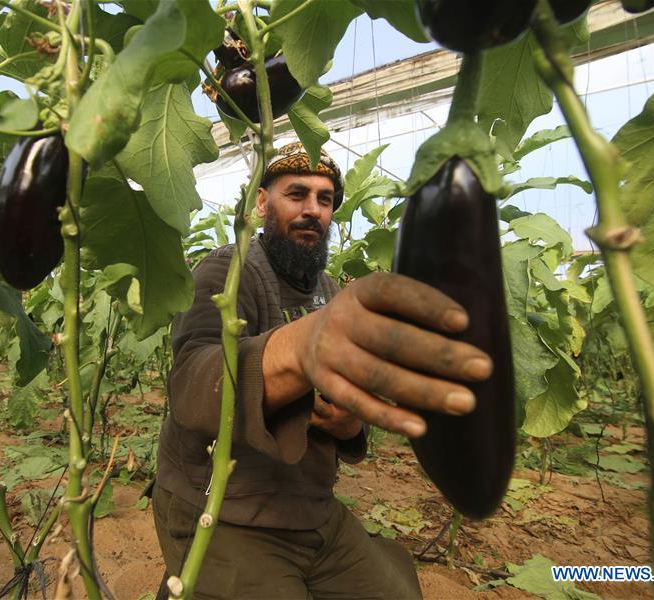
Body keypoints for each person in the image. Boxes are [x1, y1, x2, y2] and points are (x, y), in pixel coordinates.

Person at [150, 142, 494, 599]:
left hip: (308, 509)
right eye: (296, 194)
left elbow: (344, 402)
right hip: (221, 508)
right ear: (262, 202)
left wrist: (351, 424)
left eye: (325, 199)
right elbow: (192, 382)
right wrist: (300, 348)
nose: (313, 209)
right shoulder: (226, 272)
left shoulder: (330, 289)